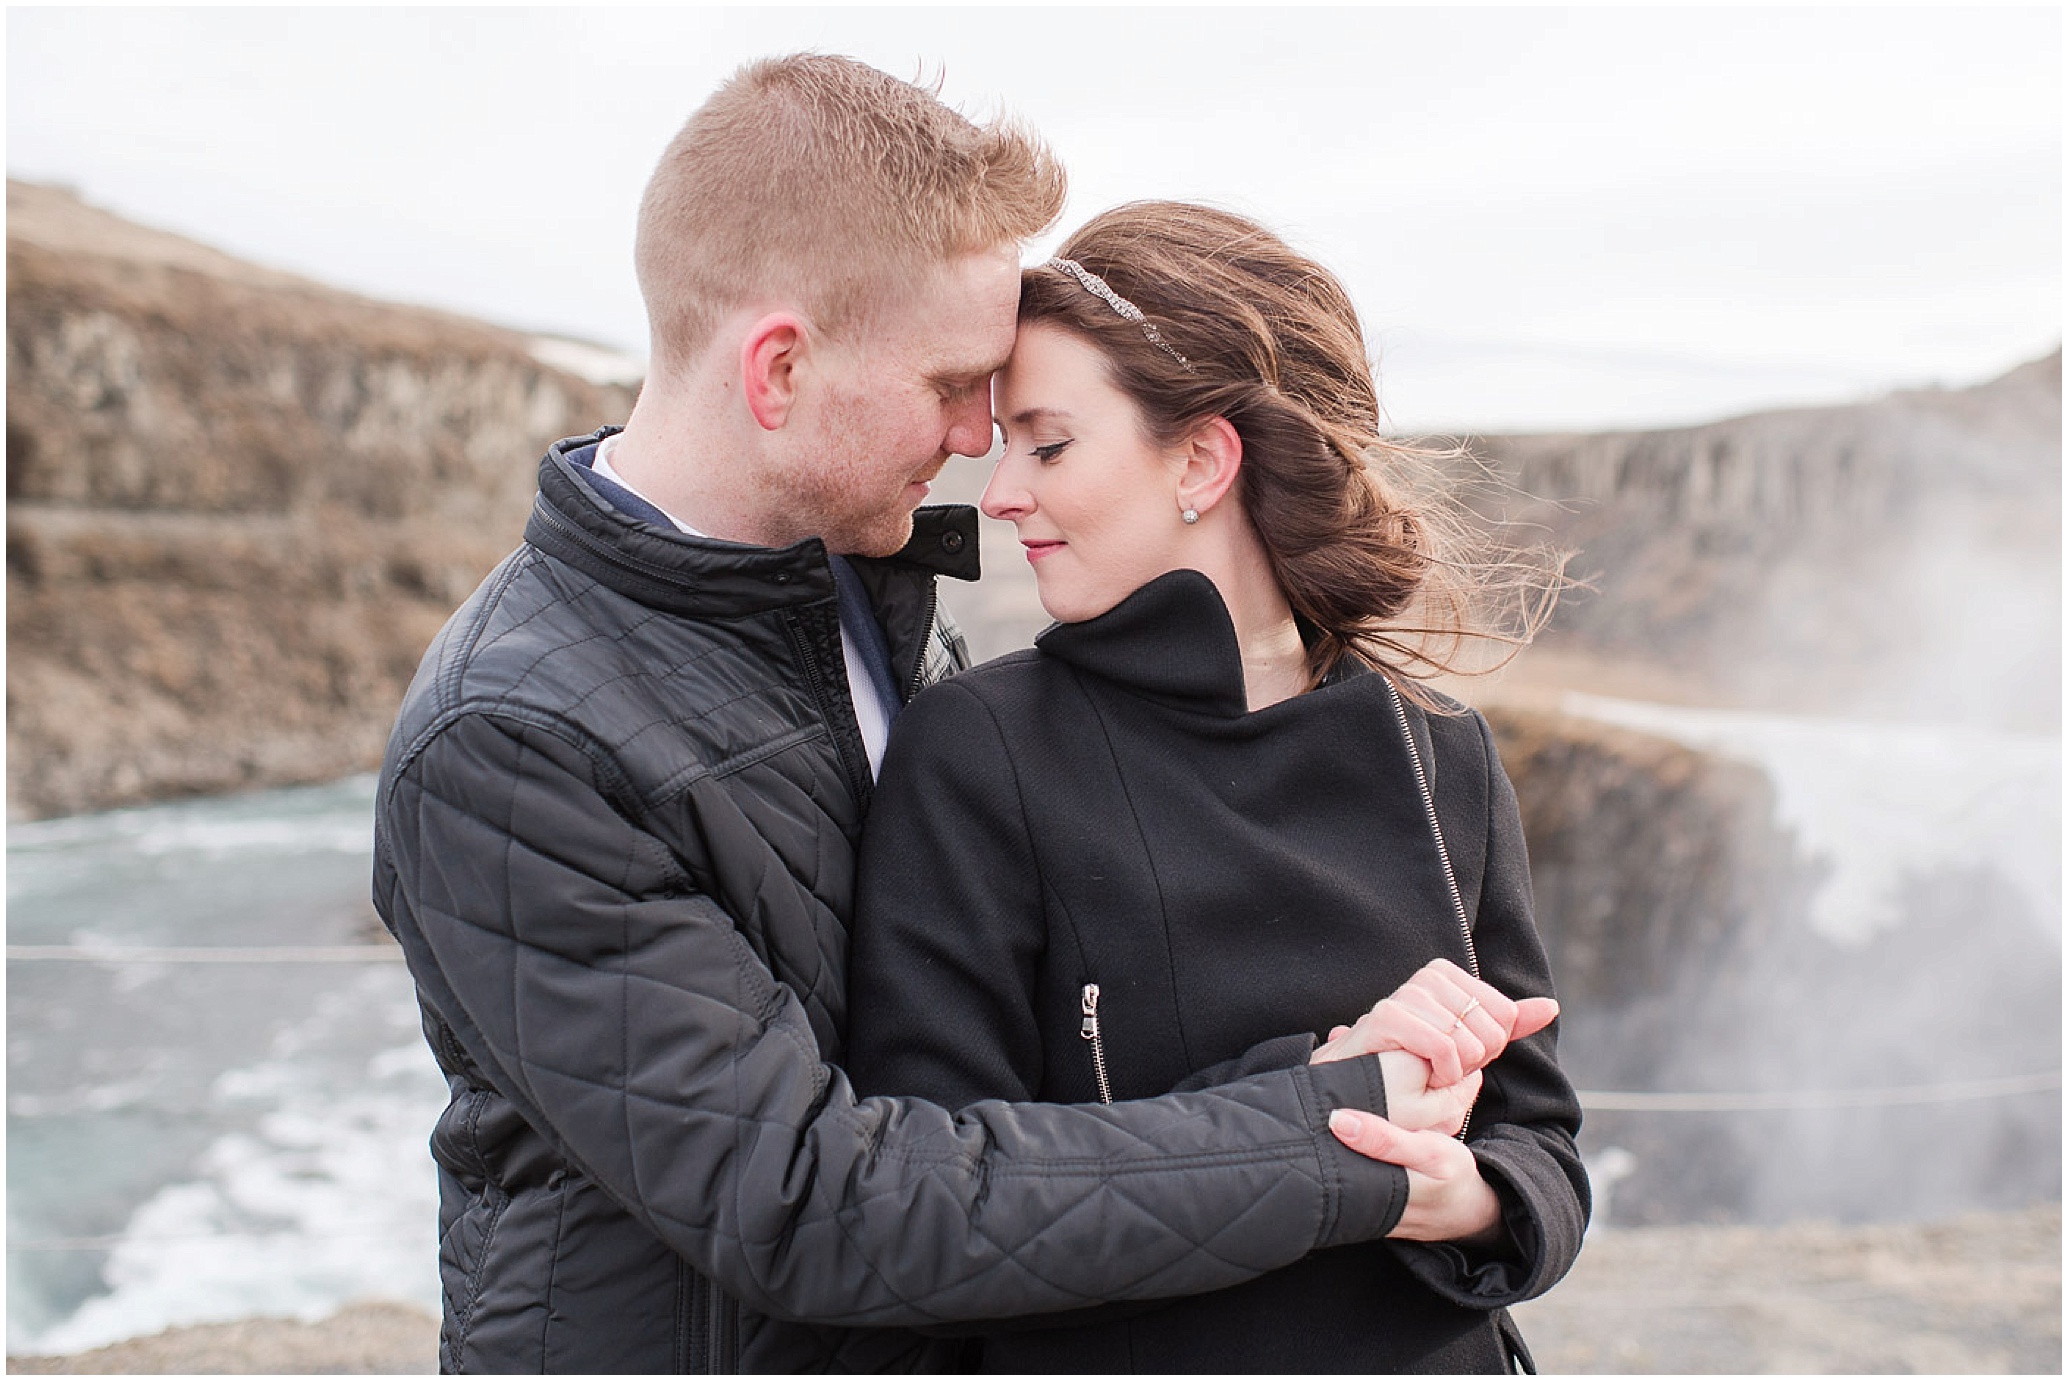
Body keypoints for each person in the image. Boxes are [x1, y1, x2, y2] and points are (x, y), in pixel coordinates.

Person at [371, 57, 1552, 1373]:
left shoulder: (857, 596)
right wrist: (1336, 1120)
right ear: (778, 370)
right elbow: (817, 1202)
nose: (977, 439)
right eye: (953, 386)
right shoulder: (511, 732)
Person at [845, 201, 1588, 1372]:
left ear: (1200, 458)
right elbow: (932, 1196)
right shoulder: (977, 750)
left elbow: (1539, 1138)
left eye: (1046, 444)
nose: (998, 494)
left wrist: (1473, 1196)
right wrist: (1316, 1106)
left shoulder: (1441, 748)